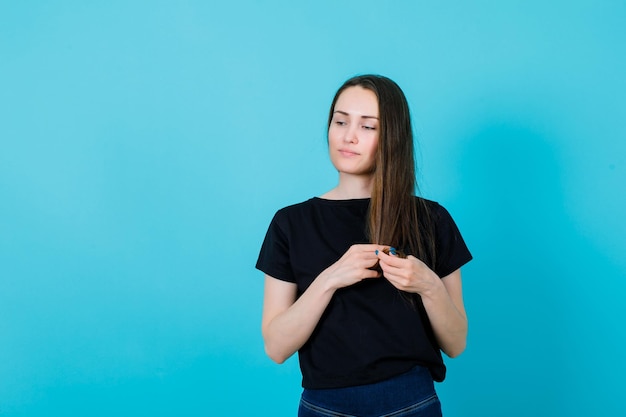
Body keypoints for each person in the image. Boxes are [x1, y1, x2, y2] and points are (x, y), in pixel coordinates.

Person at [256, 74, 472, 417]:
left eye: (368, 126)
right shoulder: (290, 223)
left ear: (392, 137)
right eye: (340, 121)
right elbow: (276, 347)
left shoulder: (431, 219)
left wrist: (428, 285)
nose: (349, 136)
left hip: (411, 403)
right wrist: (331, 278)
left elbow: (456, 343)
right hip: (324, 407)